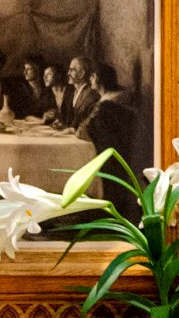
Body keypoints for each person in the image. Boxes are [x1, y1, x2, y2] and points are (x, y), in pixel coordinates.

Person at [76, 64, 145, 214]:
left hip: (110, 157)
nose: (90, 80)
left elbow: (83, 132)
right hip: (123, 154)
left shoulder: (105, 105)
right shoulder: (119, 99)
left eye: (92, 76)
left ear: (98, 78)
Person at [55, 56, 99, 130]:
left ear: (81, 73)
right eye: (69, 70)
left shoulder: (92, 94)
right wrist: (61, 123)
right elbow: (67, 118)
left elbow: (90, 124)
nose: (68, 73)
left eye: (72, 70)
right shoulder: (70, 92)